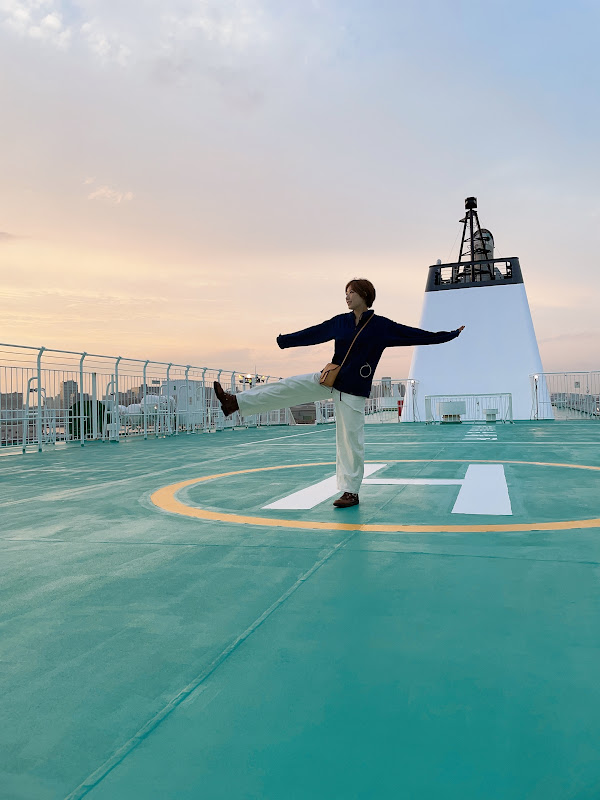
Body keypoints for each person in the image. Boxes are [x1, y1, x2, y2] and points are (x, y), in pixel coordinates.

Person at [214, 279, 465, 508]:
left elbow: (416, 335)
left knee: (349, 442)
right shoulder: (341, 321)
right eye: (346, 293)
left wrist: (449, 335)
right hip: (330, 378)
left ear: (364, 295)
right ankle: (234, 402)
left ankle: (350, 492)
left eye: (351, 292)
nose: (347, 297)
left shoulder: (381, 326)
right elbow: (314, 333)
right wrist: (285, 340)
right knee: (288, 386)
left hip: (354, 390)